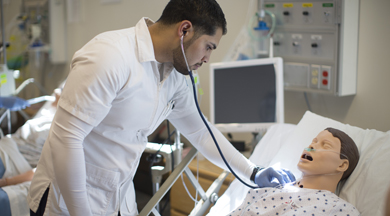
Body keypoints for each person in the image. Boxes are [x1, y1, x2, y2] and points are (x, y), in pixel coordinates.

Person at [27, 1, 294, 215]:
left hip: (118, 198)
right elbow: (67, 139)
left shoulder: (176, 74)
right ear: (185, 29)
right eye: (208, 47)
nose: (207, 59)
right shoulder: (109, 56)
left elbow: (201, 132)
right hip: (67, 202)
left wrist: (253, 171)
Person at [227, 127, 361, 216]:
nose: (311, 146)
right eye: (313, 141)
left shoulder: (340, 209)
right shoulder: (269, 190)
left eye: (325, 145)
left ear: (342, 165)